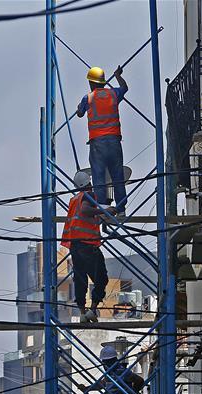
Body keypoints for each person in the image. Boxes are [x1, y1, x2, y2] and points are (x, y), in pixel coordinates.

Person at [62, 170, 116, 323]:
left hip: (75, 245)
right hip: (88, 245)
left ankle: (82, 312)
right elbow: (85, 211)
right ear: (89, 183)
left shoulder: (74, 200)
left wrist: (99, 212)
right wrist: (104, 210)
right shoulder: (89, 196)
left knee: (80, 278)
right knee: (101, 278)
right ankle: (92, 309)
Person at [76, 65, 129, 214]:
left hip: (97, 144)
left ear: (91, 83)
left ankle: (103, 209)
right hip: (114, 142)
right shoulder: (113, 94)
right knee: (117, 176)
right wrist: (117, 75)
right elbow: (124, 87)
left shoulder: (88, 98)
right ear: (104, 82)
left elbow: (80, 113)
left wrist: (79, 108)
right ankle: (121, 209)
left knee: (98, 176)